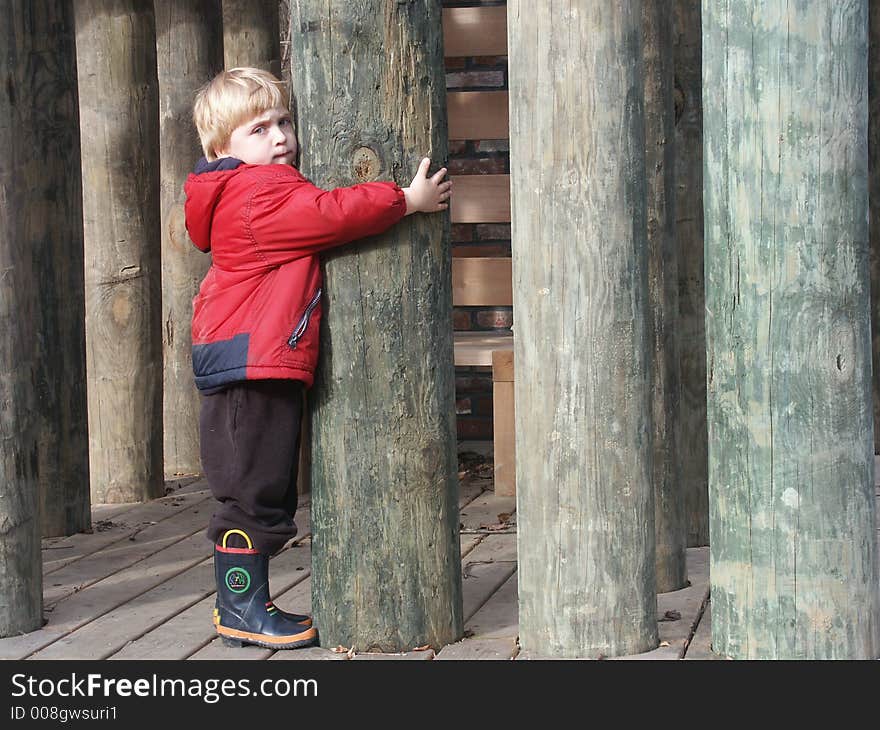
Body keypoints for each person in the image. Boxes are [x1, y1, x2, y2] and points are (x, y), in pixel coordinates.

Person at [185, 67, 451, 650]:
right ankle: (240, 609)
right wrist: (405, 199)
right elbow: (327, 213)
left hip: (251, 359)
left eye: (283, 122)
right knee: (250, 488)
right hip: (246, 364)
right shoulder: (255, 194)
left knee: (263, 484)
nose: (279, 137)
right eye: (258, 129)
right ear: (221, 148)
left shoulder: (245, 188)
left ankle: (245, 604)